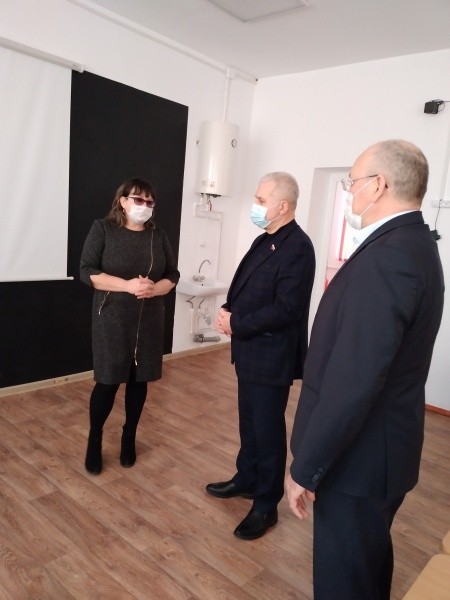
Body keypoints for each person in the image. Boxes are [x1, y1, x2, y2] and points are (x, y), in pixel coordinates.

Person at [286, 140, 445, 600]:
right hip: (382, 452)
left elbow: (353, 382)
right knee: (367, 564)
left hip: (359, 461)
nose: (349, 191)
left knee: (345, 579)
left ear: (378, 185)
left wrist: (306, 468)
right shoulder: (414, 244)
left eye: (352, 181)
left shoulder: (389, 257)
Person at [206, 172, 316, 540]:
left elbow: (286, 308)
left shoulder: (298, 247)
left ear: (282, 206)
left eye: (260, 200)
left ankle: (266, 505)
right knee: (250, 424)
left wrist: (237, 323)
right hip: (250, 352)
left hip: (271, 356)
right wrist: (228, 310)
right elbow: (248, 288)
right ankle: (247, 478)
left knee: (267, 431)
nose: (254, 206)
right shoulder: (265, 239)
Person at [80, 177, 180, 475]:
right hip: (112, 318)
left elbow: (172, 274)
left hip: (149, 318)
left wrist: (156, 288)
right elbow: (87, 271)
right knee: (108, 381)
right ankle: (95, 439)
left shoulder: (158, 236)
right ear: (122, 201)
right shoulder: (103, 229)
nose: (144, 206)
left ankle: (129, 437)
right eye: (138, 199)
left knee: (139, 380)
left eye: (150, 202)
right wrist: (127, 285)